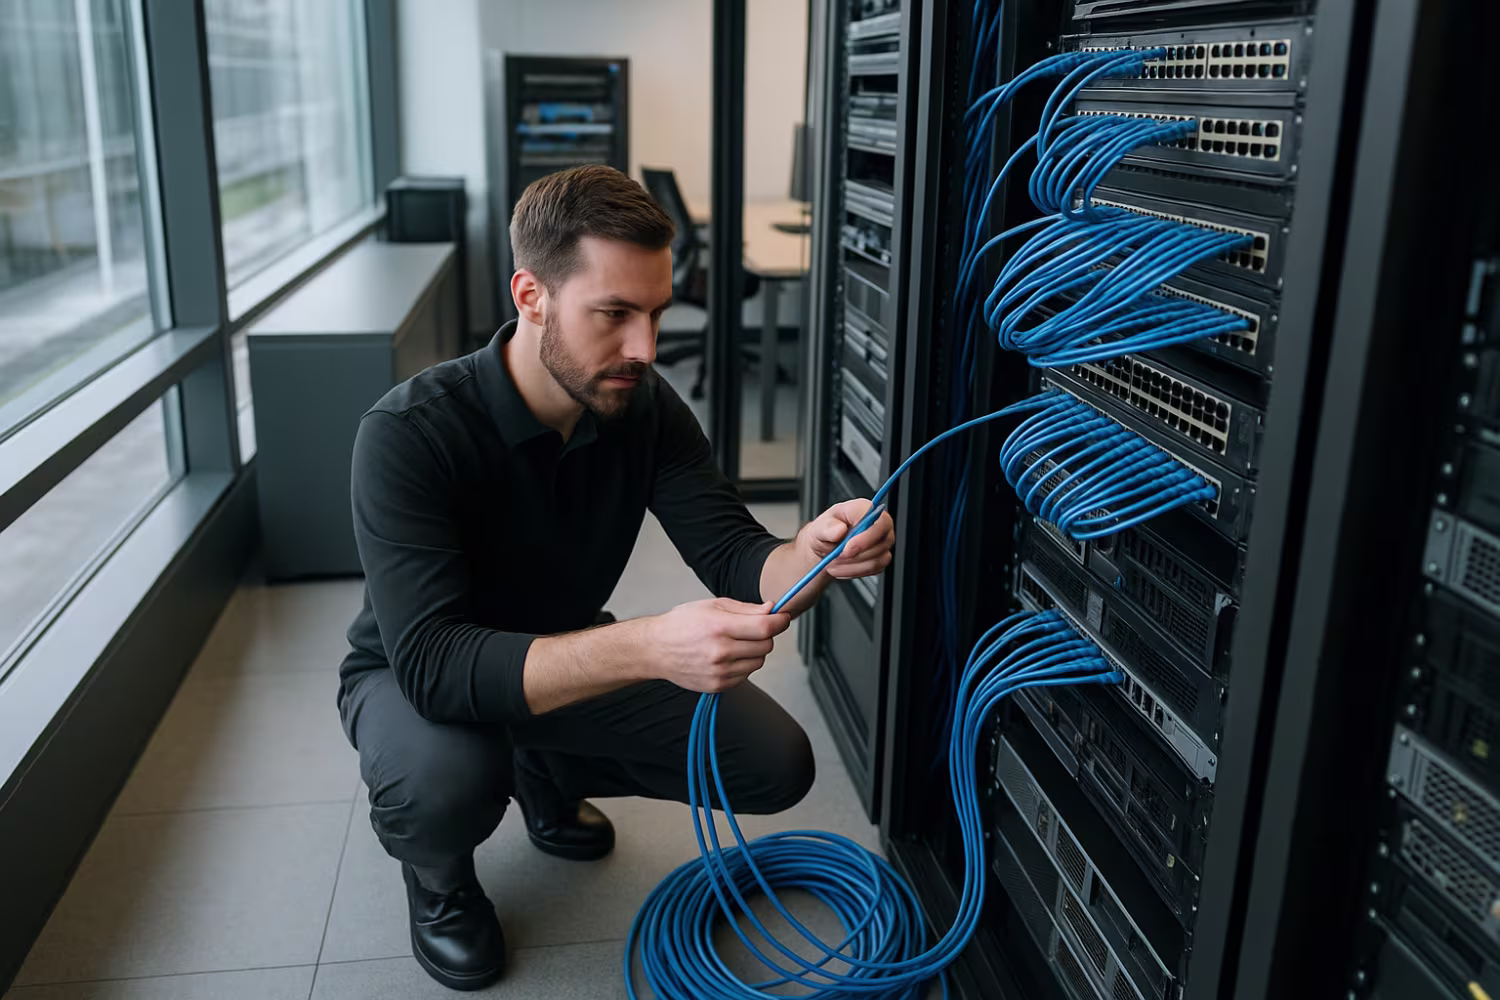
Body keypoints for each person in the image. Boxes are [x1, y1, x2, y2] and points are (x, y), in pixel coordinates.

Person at [337, 164, 895, 991]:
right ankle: (442, 884)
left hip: (554, 652)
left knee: (775, 764)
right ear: (531, 295)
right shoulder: (408, 435)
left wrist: (813, 553)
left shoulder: (640, 405)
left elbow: (739, 555)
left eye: (658, 314)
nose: (645, 348)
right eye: (614, 315)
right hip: (413, 674)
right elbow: (436, 666)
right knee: (448, 782)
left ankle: (541, 769)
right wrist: (649, 646)